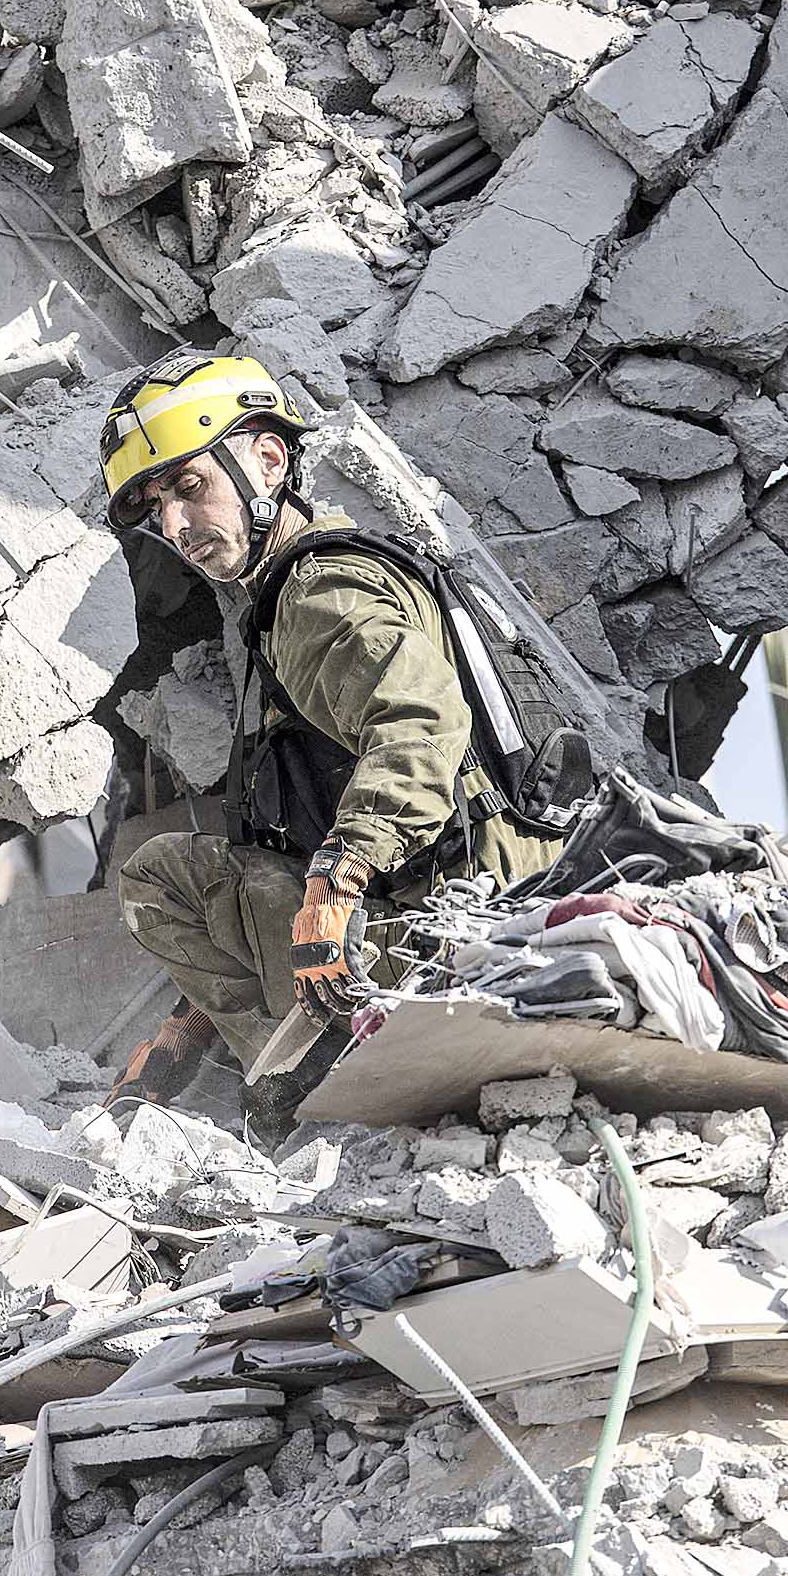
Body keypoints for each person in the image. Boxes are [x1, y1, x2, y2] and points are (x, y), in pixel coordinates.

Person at [93, 351, 557, 1132]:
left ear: (268, 458)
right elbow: (290, 838)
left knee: (160, 876)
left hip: (462, 942)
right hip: (467, 917)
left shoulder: (317, 593)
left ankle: (313, 1098)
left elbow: (421, 723)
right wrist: (189, 1024)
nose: (174, 527)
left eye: (188, 488)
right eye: (153, 508)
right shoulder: (288, 602)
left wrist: (337, 884)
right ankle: (294, 1071)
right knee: (204, 867)